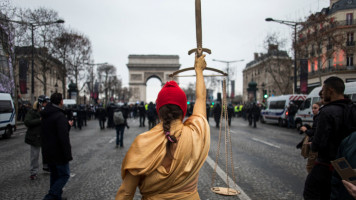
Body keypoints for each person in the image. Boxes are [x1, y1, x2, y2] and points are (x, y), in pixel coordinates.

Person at [116, 55, 210, 199]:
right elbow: (201, 99)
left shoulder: (143, 143)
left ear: (159, 111)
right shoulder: (195, 133)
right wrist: (199, 71)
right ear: (183, 110)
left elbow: (125, 194)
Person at [303, 76, 352, 200]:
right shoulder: (352, 108)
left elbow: (319, 143)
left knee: (312, 193)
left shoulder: (327, 112)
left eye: (323, 90)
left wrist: (312, 144)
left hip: (326, 164)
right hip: (346, 165)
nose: (322, 93)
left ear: (330, 90)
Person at [41, 93, 73, 200]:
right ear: (61, 101)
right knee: (65, 175)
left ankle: (57, 197)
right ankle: (50, 196)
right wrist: (67, 154)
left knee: (54, 175)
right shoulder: (60, 116)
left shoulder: (46, 114)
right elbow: (63, 137)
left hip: (48, 150)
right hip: (59, 152)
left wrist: (66, 125)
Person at [297, 101, 322, 173]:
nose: (313, 110)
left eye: (315, 108)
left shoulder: (319, 118)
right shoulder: (317, 118)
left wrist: (305, 130)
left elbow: (315, 132)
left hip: (315, 146)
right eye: (312, 108)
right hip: (316, 145)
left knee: (310, 166)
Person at [24, 100, 44, 180]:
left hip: (41, 136)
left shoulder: (41, 113)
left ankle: (45, 167)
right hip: (34, 137)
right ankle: (33, 172)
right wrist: (39, 120)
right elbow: (27, 122)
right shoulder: (31, 112)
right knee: (34, 155)